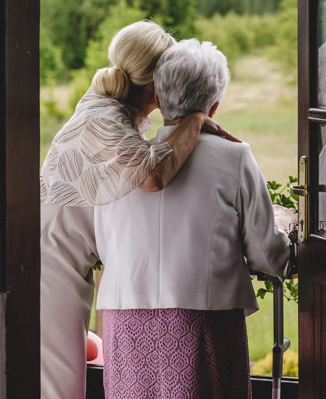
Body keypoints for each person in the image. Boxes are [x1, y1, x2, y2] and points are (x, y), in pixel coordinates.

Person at [39, 21, 237, 399]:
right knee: (59, 388)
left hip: (65, 258)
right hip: (51, 263)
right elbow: (154, 176)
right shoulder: (106, 119)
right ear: (156, 82)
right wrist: (195, 119)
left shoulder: (109, 110)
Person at [94, 39, 291, 399]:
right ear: (214, 106)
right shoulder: (234, 158)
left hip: (125, 325)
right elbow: (268, 255)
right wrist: (288, 239)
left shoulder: (124, 158)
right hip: (202, 324)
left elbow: (107, 246)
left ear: (159, 95)